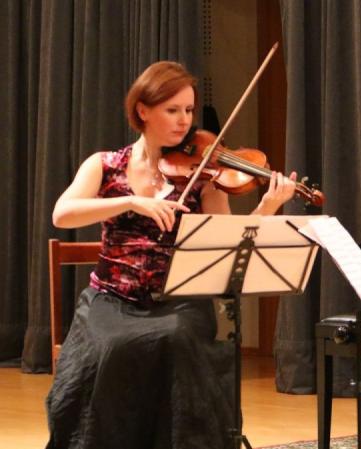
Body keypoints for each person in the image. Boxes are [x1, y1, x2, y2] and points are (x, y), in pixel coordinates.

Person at [45, 61, 297, 449]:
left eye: (189, 110)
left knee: (176, 338)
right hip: (111, 298)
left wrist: (267, 207)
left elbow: (230, 238)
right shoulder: (104, 165)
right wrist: (132, 202)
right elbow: (62, 214)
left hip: (178, 300)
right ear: (143, 110)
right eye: (172, 110)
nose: (184, 121)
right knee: (111, 348)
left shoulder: (204, 174)